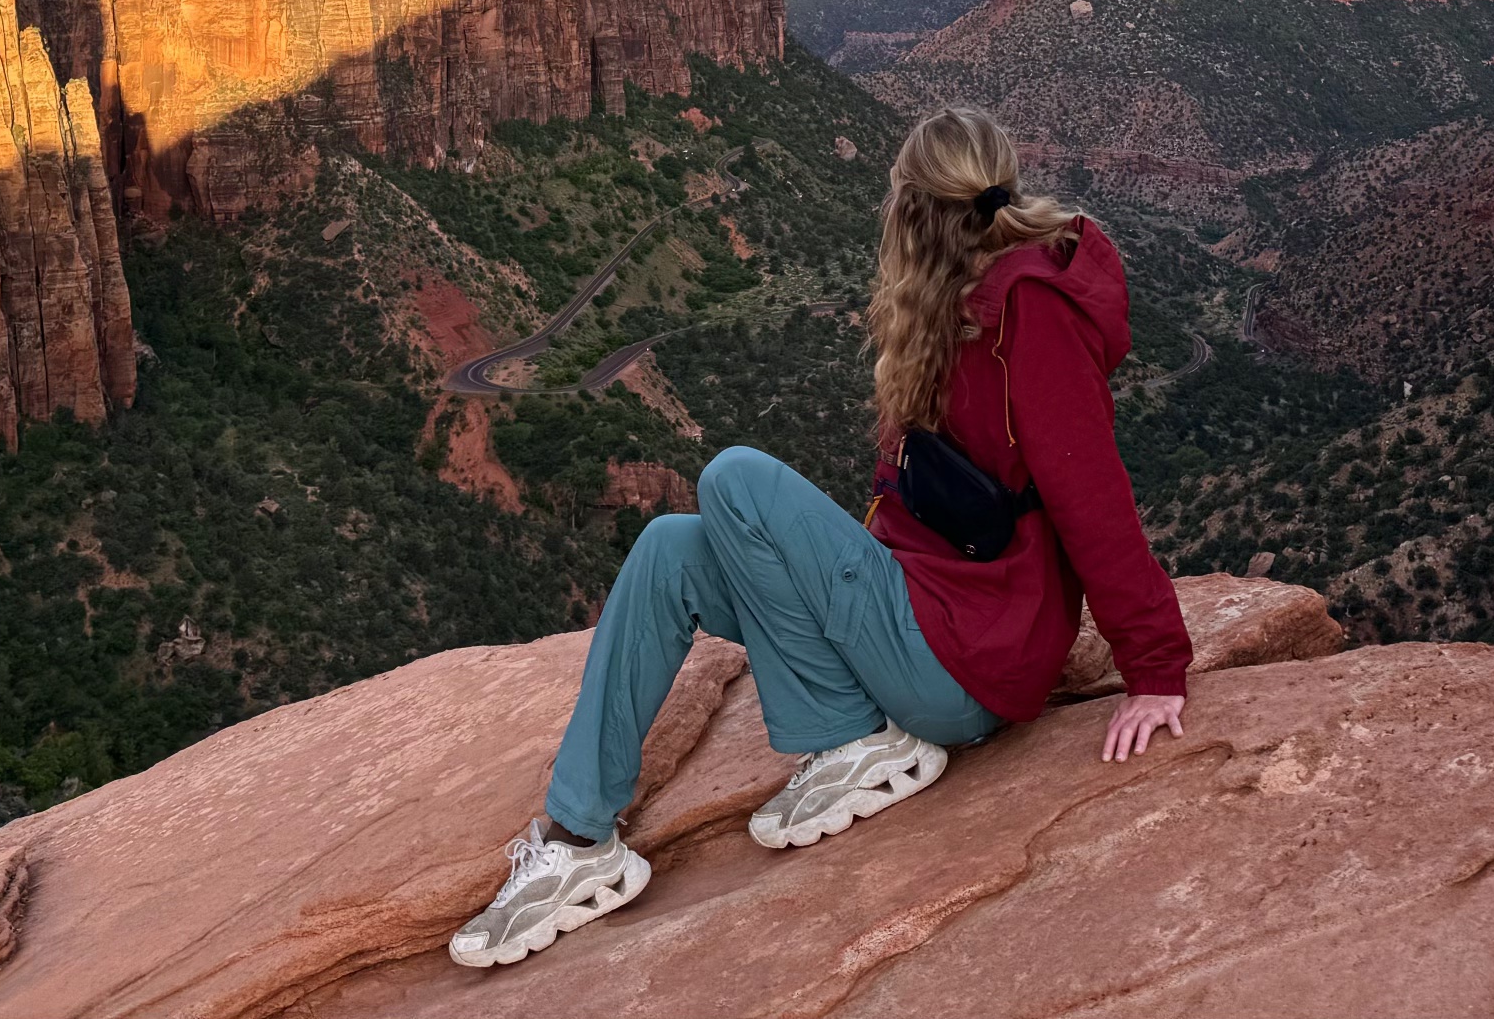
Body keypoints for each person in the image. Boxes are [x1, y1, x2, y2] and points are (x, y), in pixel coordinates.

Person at [449, 104, 1192, 968]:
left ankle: (848, 740)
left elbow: (1094, 500)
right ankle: (579, 839)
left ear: (910, 210)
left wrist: (1155, 670)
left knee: (736, 475)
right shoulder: (952, 304)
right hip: (922, 610)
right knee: (667, 551)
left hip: (971, 663)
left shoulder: (1033, 316)